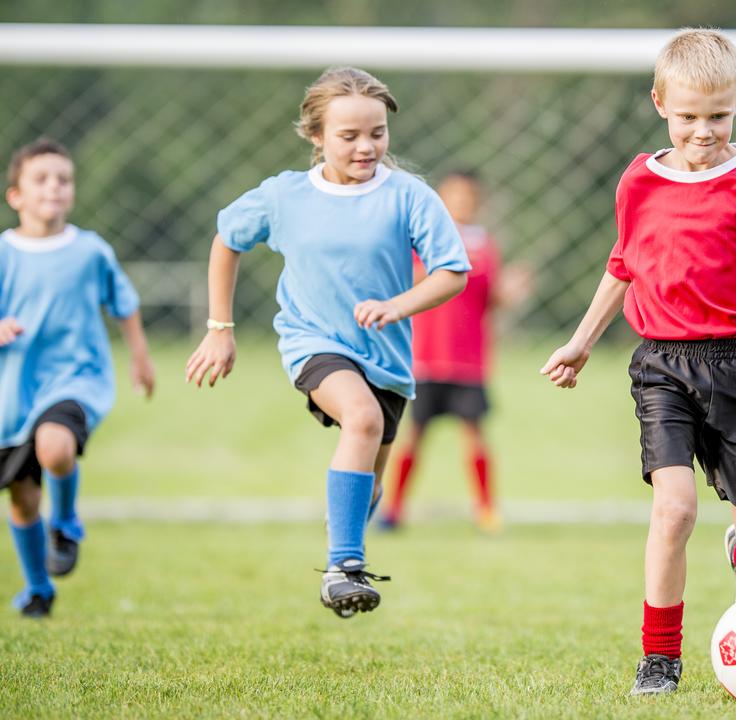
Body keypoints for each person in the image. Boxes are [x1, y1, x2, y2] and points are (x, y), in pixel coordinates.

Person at [540, 29, 736, 695]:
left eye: (718, 116)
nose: (703, 132)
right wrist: (581, 342)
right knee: (673, 510)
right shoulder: (640, 180)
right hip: (662, 367)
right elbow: (622, 267)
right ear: (660, 104)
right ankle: (659, 659)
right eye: (688, 116)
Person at [185, 67, 470, 619]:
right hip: (313, 342)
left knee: (367, 486)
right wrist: (220, 329)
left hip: (386, 359)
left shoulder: (408, 196)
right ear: (316, 136)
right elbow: (227, 239)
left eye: (377, 133)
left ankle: (349, 521)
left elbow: (451, 273)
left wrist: (397, 306)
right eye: (349, 136)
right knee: (360, 421)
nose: (367, 146)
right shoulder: (285, 196)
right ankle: (343, 568)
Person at [1, 137, 155, 617]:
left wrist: (140, 357)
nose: (54, 187)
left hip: (75, 379)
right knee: (23, 498)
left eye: (63, 179)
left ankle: (65, 520)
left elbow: (124, 304)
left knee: (56, 446)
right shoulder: (4, 252)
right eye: (41, 179)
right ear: (16, 196)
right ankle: (38, 589)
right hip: (12, 393)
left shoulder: (90, 251)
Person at [381, 170, 530, 533]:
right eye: (455, 195)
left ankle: (486, 509)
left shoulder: (485, 244)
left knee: (475, 435)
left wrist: (511, 292)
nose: (462, 202)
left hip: (468, 363)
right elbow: (409, 280)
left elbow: (489, 299)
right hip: (426, 359)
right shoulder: (426, 238)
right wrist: (447, 264)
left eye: (469, 196)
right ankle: (394, 509)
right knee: (413, 435)